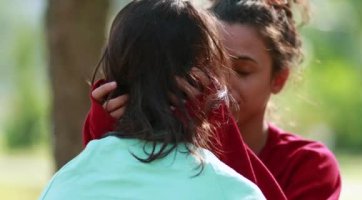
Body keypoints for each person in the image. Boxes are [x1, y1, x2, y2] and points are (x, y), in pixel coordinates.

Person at [84, 0, 342, 199]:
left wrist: (218, 127)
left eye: (242, 70)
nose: (222, 84)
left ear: (279, 79)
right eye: (209, 66)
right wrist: (106, 133)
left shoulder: (310, 165)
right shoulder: (168, 147)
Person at [39, 0, 266, 199]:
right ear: (204, 84)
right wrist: (215, 116)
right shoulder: (233, 190)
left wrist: (101, 129)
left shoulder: (64, 184)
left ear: (114, 77)